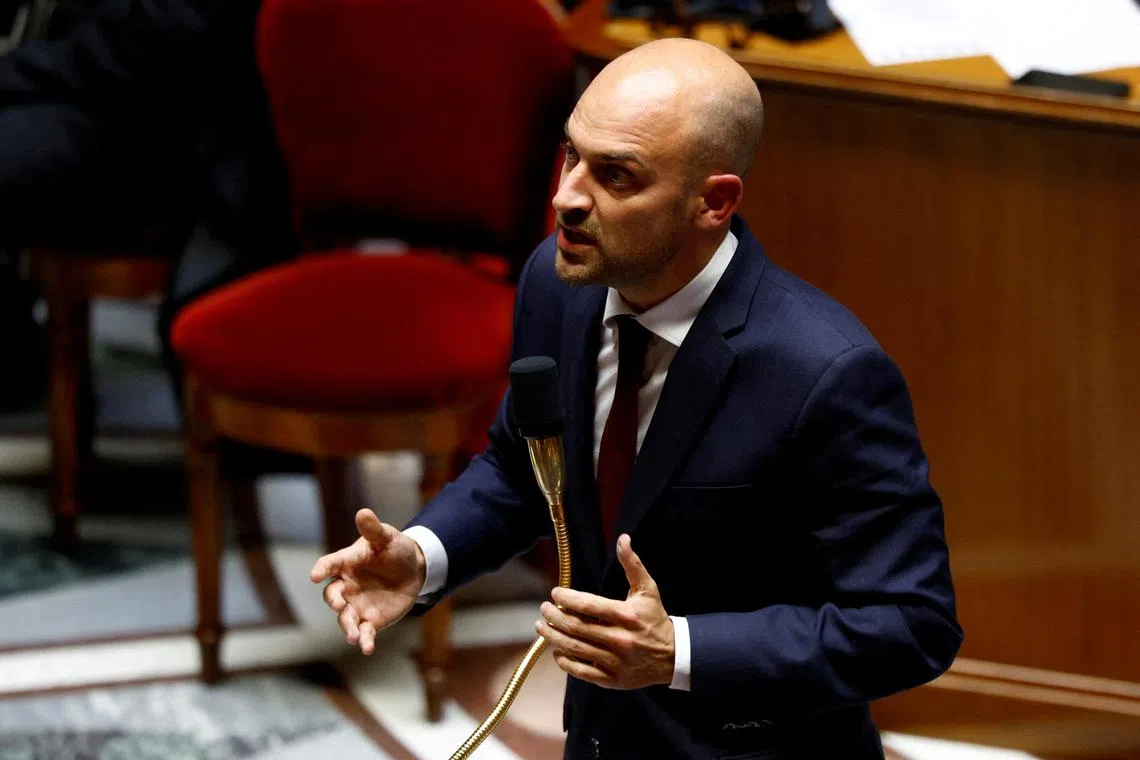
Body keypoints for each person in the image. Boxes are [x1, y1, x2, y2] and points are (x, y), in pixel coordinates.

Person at [310, 38, 962, 759]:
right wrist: (424, 556)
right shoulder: (558, 284)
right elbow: (522, 466)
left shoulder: (826, 374)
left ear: (712, 202)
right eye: (571, 156)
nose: (566, 197)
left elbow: (911, 623)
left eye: (616, 175)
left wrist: (678, 649)